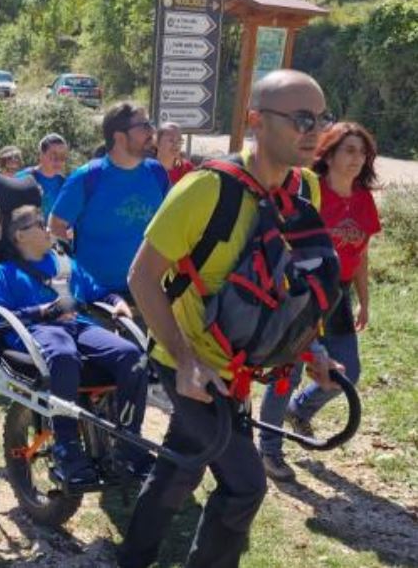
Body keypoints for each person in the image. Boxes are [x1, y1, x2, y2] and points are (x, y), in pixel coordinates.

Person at [116, 70, 340, 568]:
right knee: (244, 486)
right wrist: (188, 361)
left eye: (322, 118)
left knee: (181, 467)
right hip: (188, 362)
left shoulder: (305, 191)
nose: (315, 130)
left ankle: (132, 557)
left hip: (237, 364)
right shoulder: (205, 190)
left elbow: (295, 285)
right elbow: (142, 278)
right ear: (256, 121)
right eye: (302, 118)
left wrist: (314, 349)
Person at [0, 202, 149, 482]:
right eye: (38, 223)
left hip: (79, 326)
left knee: (132, 355)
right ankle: (66, 447)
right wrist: (42, 311)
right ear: (19, 236)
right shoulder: (5, 272)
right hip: (38, 330)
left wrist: (117, 302)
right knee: (63, 354)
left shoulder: (66, 264)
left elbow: (98, 292)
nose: (46, 227)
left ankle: (128, 442)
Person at [257, 121, 382, 482]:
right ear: (327, 154)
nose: (357, 158)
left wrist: (364, 301)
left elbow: (361, 255)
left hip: (338, 294)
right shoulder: (309, 192)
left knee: (349, 369)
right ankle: (269, 448)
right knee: (288, 370)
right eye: (349, 150)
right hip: (302, 294)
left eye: (363, 152)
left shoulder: (363, 199)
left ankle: (300, 410)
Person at [49, 102, 169, 295]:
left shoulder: (157, 173)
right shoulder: (87, 177)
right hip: (95, 299)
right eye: (144, 126)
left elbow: (167, 224)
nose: (152, 132)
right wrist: (71, 275)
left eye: (151, 124)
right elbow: (56, 225)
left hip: (146, 293)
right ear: (119, 137)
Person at [15, 133, 68, 220]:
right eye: (53, 155)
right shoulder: (23, 179)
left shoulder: (64, 183)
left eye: (62, 156)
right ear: (41, 155)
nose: (58, 160)